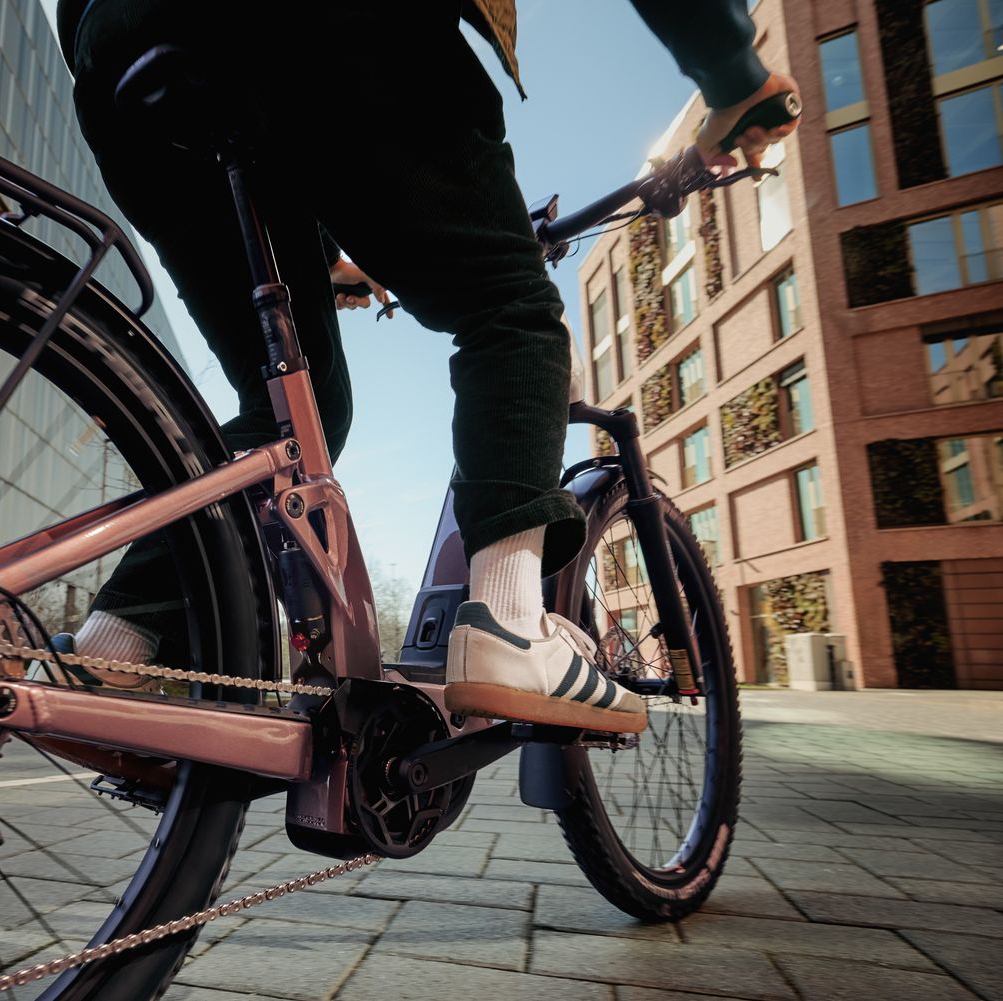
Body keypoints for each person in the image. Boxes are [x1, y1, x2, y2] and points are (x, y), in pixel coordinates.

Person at [53, 0, 800, 731]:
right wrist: (734, 73)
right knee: (509, 307)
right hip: (326, 25)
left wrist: (320, 256)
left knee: (296, 410)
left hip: (116, 52)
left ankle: (120, 638)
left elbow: (272, 113)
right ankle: (509, 625)